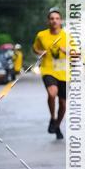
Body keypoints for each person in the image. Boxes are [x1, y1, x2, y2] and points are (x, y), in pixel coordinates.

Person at [33, 9, 68, 140]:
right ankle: (53, 117)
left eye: (57, 18)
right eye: (52, 18)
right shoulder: (41, 35)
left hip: (64, 73)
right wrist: (39, 52)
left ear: (60, 21)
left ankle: (56, 125)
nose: (54, 20)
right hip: (48, 70)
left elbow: (77, 54)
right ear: (48, 21)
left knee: (63, 105)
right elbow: (35, 48)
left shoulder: (67, 36)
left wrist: (67, 51)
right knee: (52, 93)